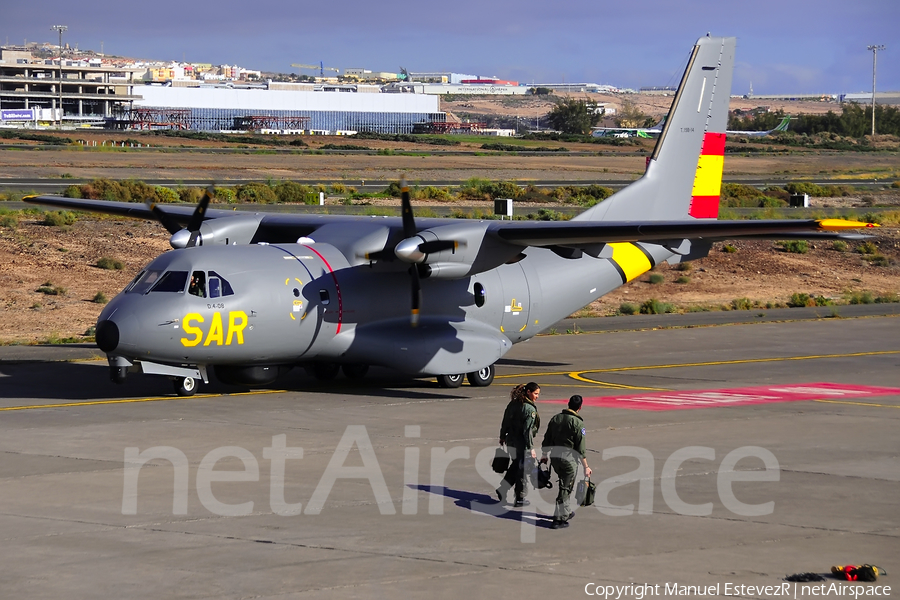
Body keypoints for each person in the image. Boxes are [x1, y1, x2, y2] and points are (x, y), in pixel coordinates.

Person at [541, 394, 591, 529]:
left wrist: (544, 455)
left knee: (564, 484)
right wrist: (586, 467)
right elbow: (581, 449)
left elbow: (547, 439)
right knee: (565, 488)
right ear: (580, 407)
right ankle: (559, 519)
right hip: (569, 460)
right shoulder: (578, 423)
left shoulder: (556, 418)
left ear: (568, 404)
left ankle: (566, 511)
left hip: (555, 458)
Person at [496, 382, 541, 507]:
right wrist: (531, 448)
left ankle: (503, 489)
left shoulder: (513, 404)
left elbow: (505, 420)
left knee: (516, 465)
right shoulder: (529, 409)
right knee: (522, 469)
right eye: (536, 394)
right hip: (522, 443)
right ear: (528, 392)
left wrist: (502, 436)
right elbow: (527, 431)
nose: (537, 396)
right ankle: (519, 497)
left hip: (511, 440)